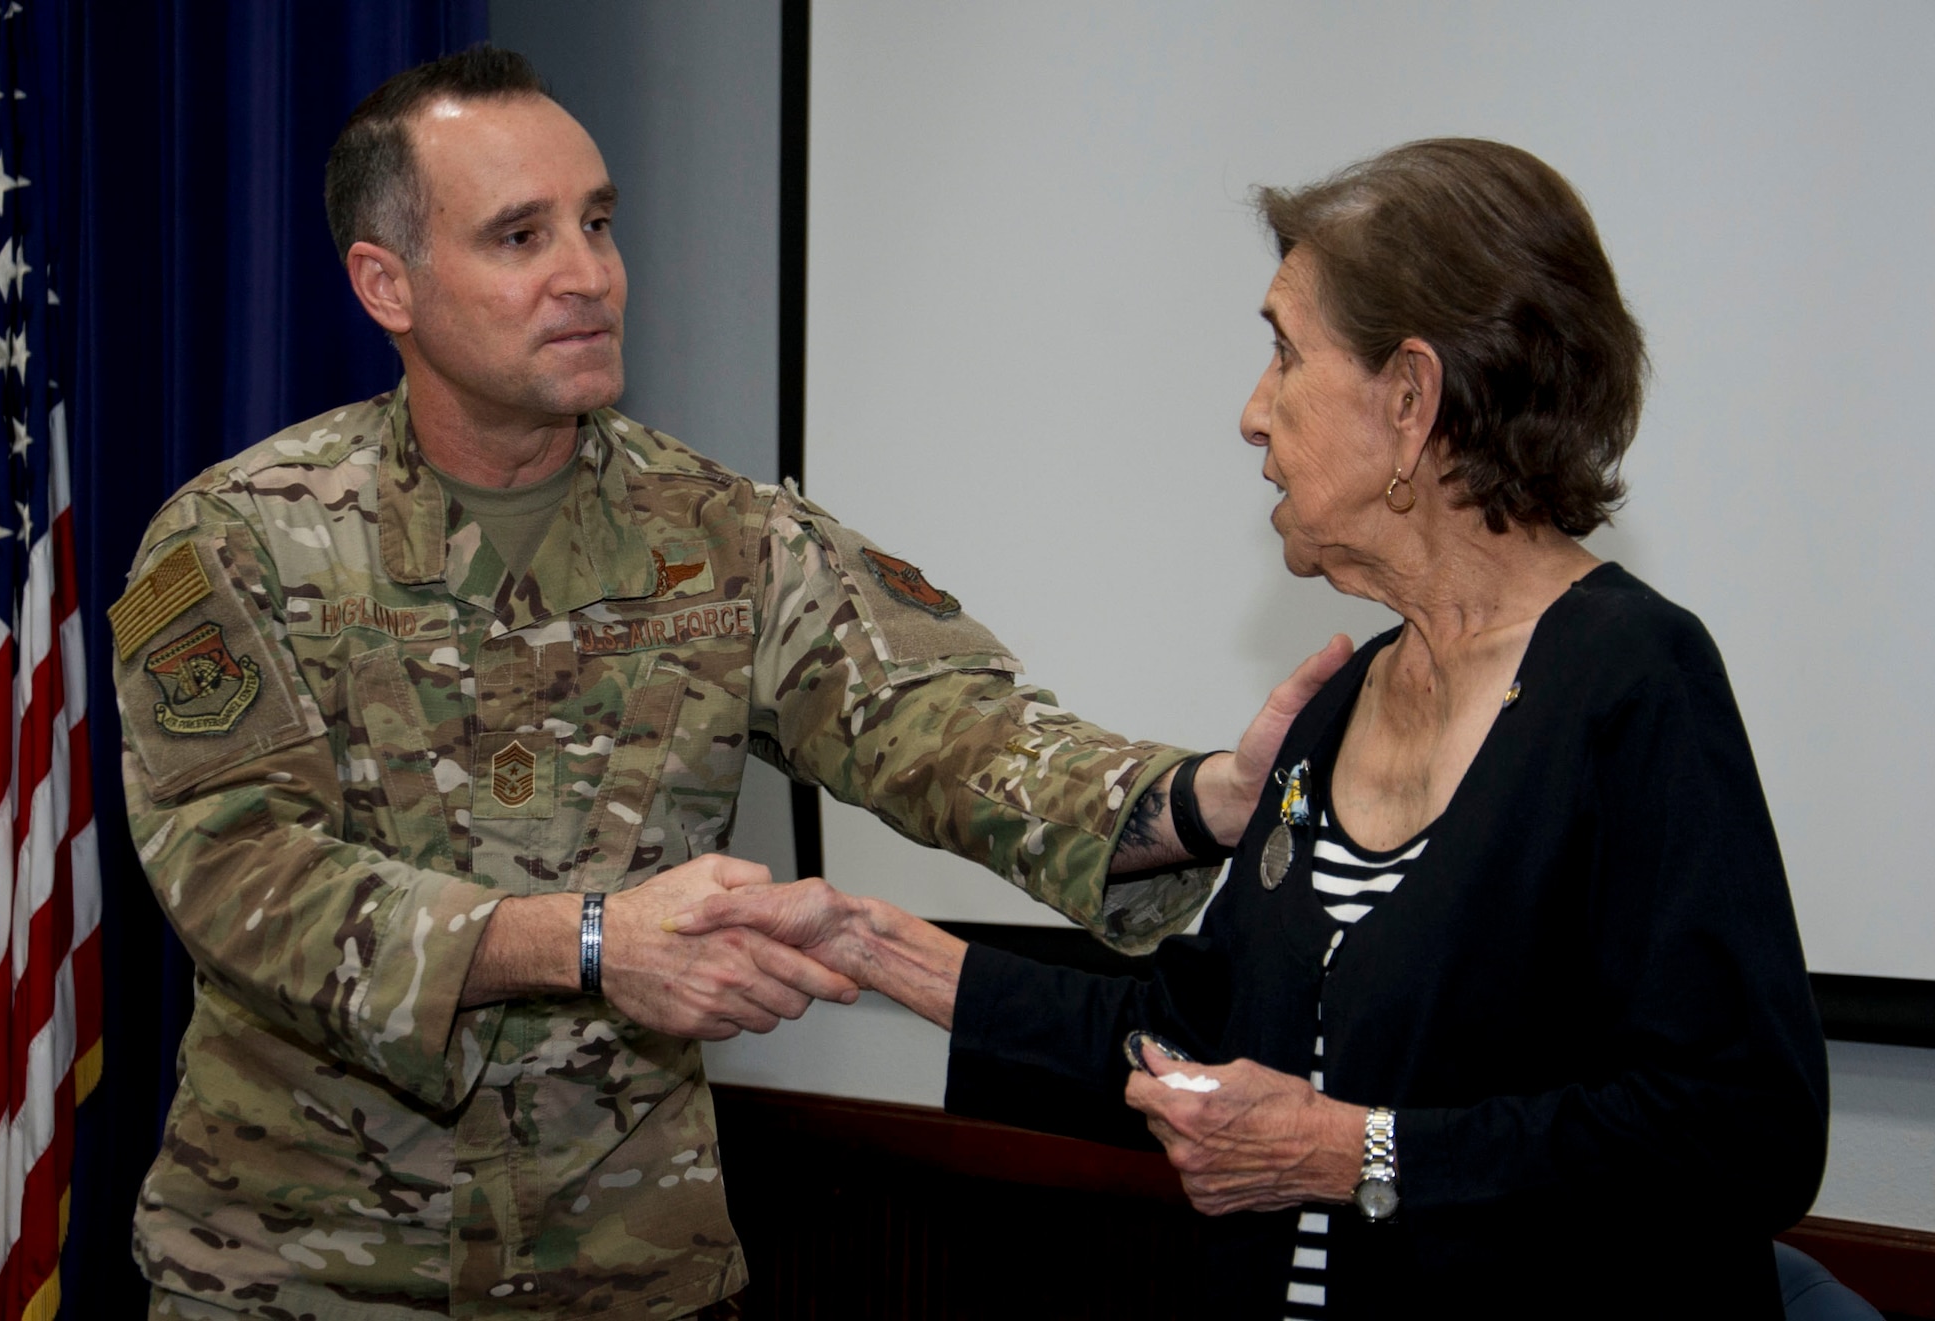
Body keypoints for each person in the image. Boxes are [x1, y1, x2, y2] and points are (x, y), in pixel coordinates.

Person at [112, 48, 1323, 1320]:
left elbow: (949, 732)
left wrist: (1195, 799)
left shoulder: (726, 537)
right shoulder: (233, 540)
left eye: (597, 223)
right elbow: (239, 872)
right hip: (300, 1276)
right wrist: (585, 942)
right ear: (386, 284)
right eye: (520, 236)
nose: (587, 273)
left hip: (628, 1274)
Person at [671, 139, 1831, 1316]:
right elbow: (1194, 1042)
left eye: (1283, 352)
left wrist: (1361, 1154)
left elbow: (1740, 1131)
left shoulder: (1631, 679)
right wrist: (873, 946)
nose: (1249, 411)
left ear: (1411, 397)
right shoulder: (1346, 695)